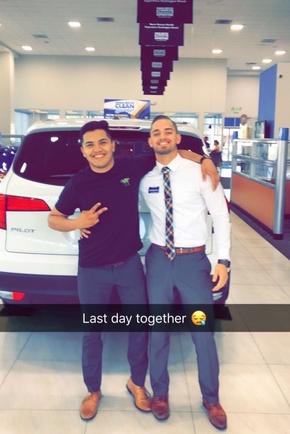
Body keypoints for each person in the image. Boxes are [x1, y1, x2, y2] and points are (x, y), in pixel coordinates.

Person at [47, 120, 219, 422]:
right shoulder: (77, 183)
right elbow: (54, 218)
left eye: (102, 142)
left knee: (139, 328)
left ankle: (137, 383)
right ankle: (93, 390)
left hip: (128, 266)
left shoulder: (131, 167)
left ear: (113, 145)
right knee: (92, 333)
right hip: (92, 269)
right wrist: (76, 223)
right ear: (83, 151)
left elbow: (171, 152)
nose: (97, 149)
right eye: (90, 144)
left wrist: (206, 159)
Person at [139, 116, 231, 430]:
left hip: (193, 263)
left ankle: (211, 397)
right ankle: (160, 393)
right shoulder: (144, 177)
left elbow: (221, 215)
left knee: (202, 332)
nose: (162, 137)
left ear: (177, 138)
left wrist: (224, 260)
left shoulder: (200, 172)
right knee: (159, 330)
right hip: (158, 261)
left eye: (168, 132)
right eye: (156, 133)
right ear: (150, 141)